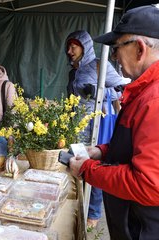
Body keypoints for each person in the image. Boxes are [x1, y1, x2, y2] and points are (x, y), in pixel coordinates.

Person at [69, 5, 159, 239]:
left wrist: (88, 169)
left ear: (139, 49)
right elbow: (135, 146)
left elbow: (148, 184)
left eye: (116, 48)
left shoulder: (154, 100)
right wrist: (101, 151)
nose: (114, 56)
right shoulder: (144, 91)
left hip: (143, 227)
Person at [65, 30, 127, 228]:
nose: (69, 51)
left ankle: (93, 213)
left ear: (85, 47)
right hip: (77, 126)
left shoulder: (99, 65)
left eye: (73, 46)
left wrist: (100, 92)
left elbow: (121, 87)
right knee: (77, 163)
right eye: (68, 46)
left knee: (96, 167)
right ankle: (79, 204)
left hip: (96, 127)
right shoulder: (73, 71)